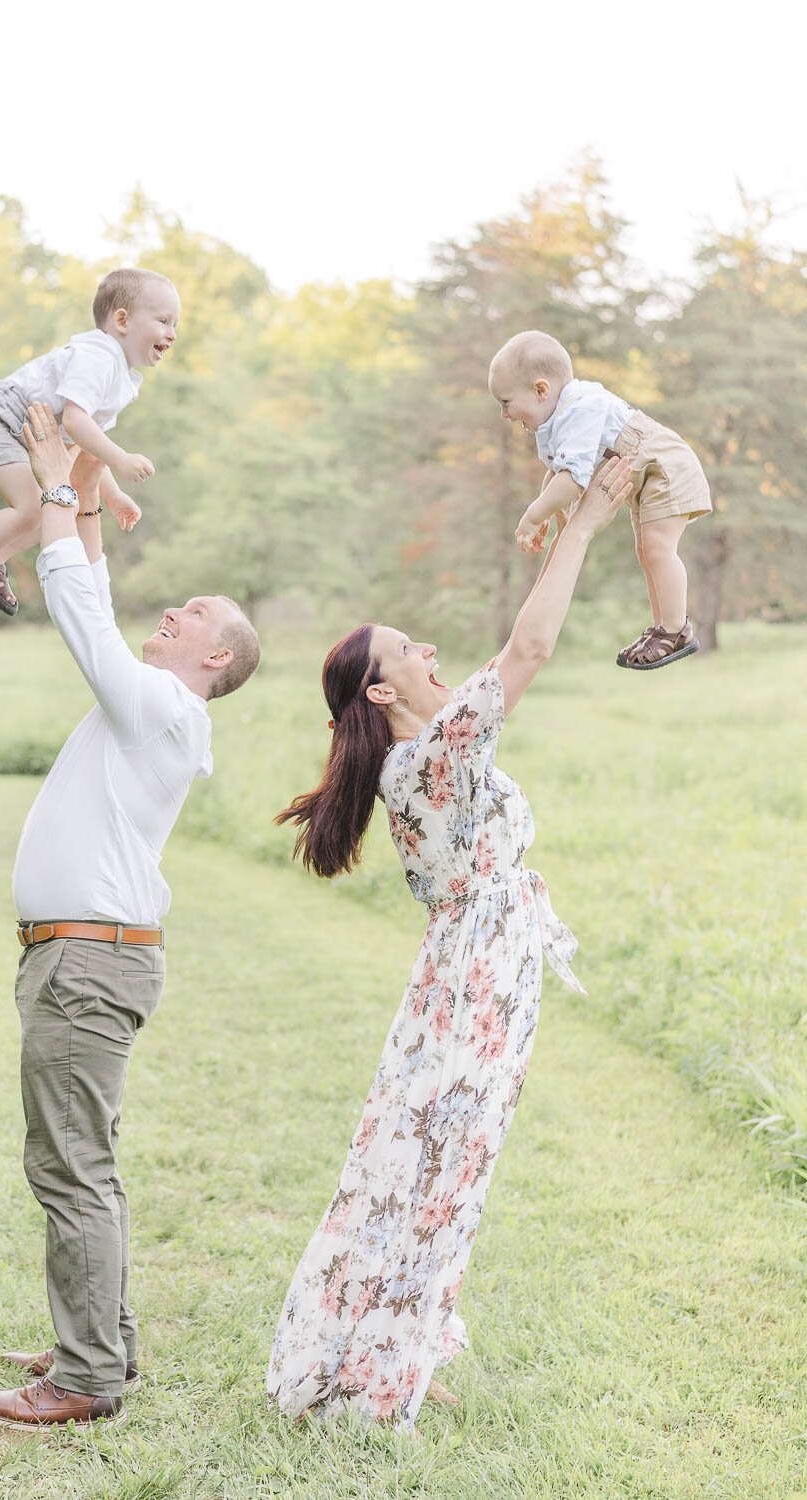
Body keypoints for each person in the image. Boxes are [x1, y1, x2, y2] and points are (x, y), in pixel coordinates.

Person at [267, 456, 633, 1432]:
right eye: (406, 647)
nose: (429, 647)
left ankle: (393, 1347)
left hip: (481, 978)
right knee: (433, 1178)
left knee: (430, 1173)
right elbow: (533, 645)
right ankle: (373, 1370)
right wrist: (584, 525)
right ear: (382, 694)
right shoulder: (425, 762)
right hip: (472, 989)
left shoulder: (435, 755)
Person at [0, 403, 260, 1430]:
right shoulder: (159, 704)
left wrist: (55, 489)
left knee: (69, 1168)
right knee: (85, 1162)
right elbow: (96, 591)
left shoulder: (163, 705)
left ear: (214, 660)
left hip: (87, 963)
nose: (170, 612)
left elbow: (82, 617)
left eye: (191, 613)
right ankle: (103, 1344)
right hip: (85, 958)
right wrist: (87, 497)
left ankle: (86, 1377)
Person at [0, 268, 179, 627]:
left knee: (57, 509)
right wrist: (121, 460)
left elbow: (87, 448)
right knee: (33, 507)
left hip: (19, 434)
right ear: (122, 320)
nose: (172, 334)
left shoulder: (119, 375)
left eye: (175, 325)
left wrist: (114, 495)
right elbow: (75, 422)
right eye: (164, 321)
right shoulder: (99, 357)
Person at [488, 330, 713, 670]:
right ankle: (661, 628)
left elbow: (574, 480)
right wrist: (547, 507)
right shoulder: (555, 418)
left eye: (506, 402)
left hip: (666, 466)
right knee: (646, 549)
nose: (505, 415)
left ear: (540, 390)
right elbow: (559, 473)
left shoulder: (580, 408)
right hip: (647, 475)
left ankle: (675, 629)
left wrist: (534, 514)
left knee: (657, 548)